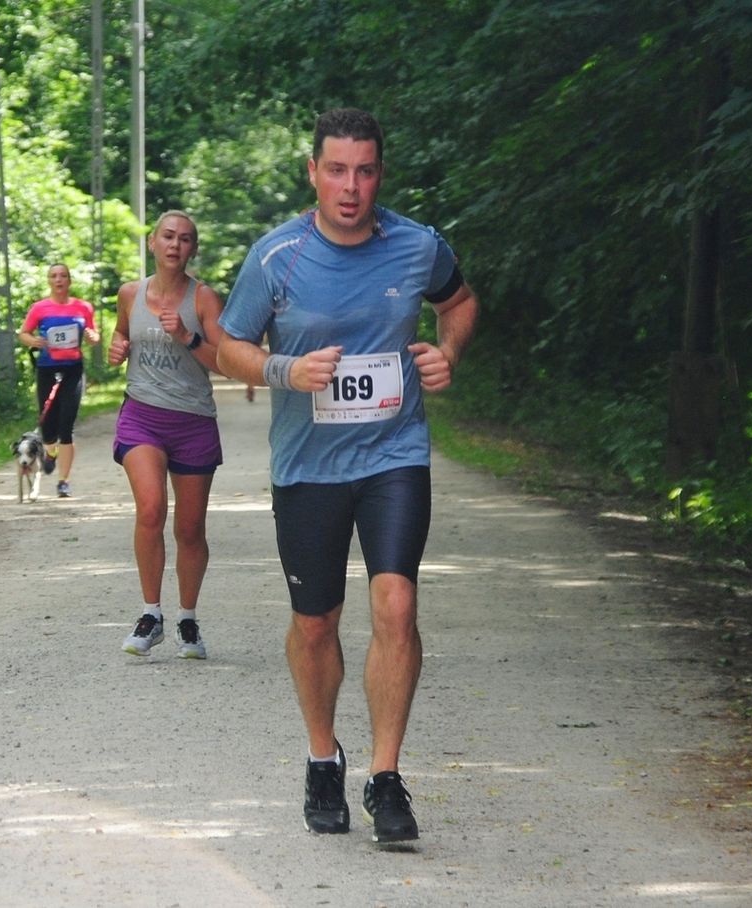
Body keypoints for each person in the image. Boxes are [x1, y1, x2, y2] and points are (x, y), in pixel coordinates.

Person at [217, 108, 479, 845]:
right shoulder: (277, 256)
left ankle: (385, 776)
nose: (351, 187)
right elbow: (228, 346)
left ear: (380, 175)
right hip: (308, 465)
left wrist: (447, 352)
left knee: (397, 605)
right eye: (336, 170)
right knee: (315, 623)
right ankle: (322, 758)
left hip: (395, 455)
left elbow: (459, 302)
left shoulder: (417, 245)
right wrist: (284, 370)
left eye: (364, 171)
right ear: (313, 173)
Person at [108, 210, 227, 660]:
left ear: (193, 248)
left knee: (190, 529)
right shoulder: (130, 294)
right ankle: (150, 614)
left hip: (193, 420)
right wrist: (116, 349)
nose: (176, 245)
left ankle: (188, 619)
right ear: (153, 242)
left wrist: (189, 338)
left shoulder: (204, 299)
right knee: (151, 508)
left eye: (186, 239)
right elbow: (120, 337)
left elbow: (225, 361)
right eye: (169, 236)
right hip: (142, 415)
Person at [18, 263, 101, 498]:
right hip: (47, 369)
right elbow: (23, 333)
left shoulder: (83, 307)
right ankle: (50, 451)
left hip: (73, 370)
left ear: (69, 280)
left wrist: (92, 336)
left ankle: (64, 481)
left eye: (63, 276)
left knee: (66, 425)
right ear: (49, 281)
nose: (58, 280)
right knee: (48, 426)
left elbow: (94, 336)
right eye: (54, 276)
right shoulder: (39, 308)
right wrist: (34, 341)